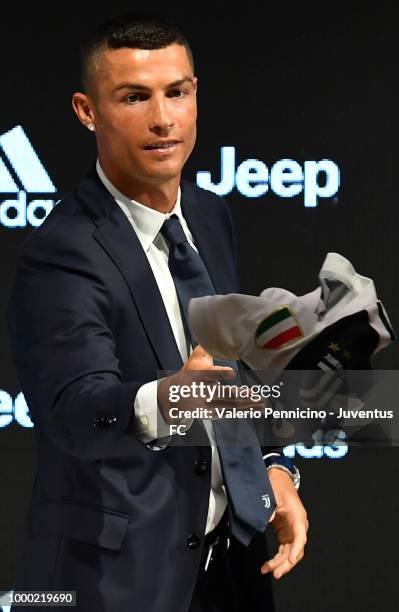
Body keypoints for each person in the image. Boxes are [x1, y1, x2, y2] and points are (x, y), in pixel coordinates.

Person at [7, 13, 308, 612]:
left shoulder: (208, 212)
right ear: (86, 111)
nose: (163, 118)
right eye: (134, 97)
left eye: (177, 92)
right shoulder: (62, 250)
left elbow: (233, 371)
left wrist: (272, 466)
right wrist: (168, 398)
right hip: (122, 577)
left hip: (236, 560)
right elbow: (73, 412)